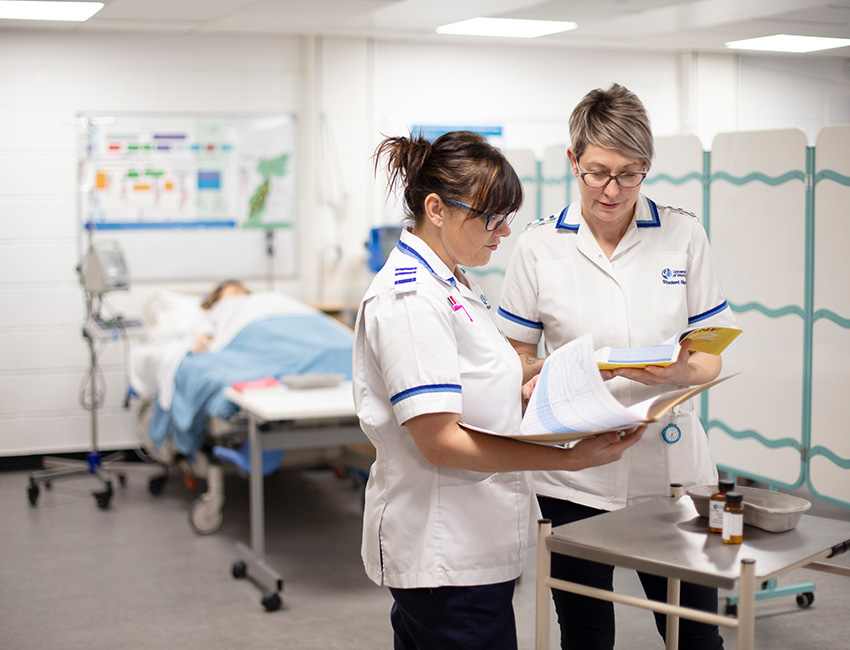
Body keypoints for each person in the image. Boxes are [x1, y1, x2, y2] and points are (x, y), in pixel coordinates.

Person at [353, 130, 646, 650]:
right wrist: (569, 460)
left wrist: (572, 372)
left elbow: (485, 379)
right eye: (492, 218)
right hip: (445, 552)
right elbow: (440, 441)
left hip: (470, 544)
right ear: (436, 209)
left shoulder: (453, 283)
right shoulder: (411, 300)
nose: (505, 231)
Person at [497, 84, 736, 650]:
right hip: (574, 472)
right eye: (598, 172)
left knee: (696, 633)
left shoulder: (683, 234)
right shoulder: (538, 246)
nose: (612, 190)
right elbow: (515, 361)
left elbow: (711, 356)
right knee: (586, 633)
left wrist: (677, 373)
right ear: (572, 160)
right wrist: (566, 371)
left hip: (672, 469)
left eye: (630, 174)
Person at [191, 279, 250, 353]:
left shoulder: (250, 305)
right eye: (233, 292)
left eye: (240, 292)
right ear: (219, 296)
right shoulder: (220, 307)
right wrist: (203, 338)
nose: (238, 295)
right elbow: (207, 324)